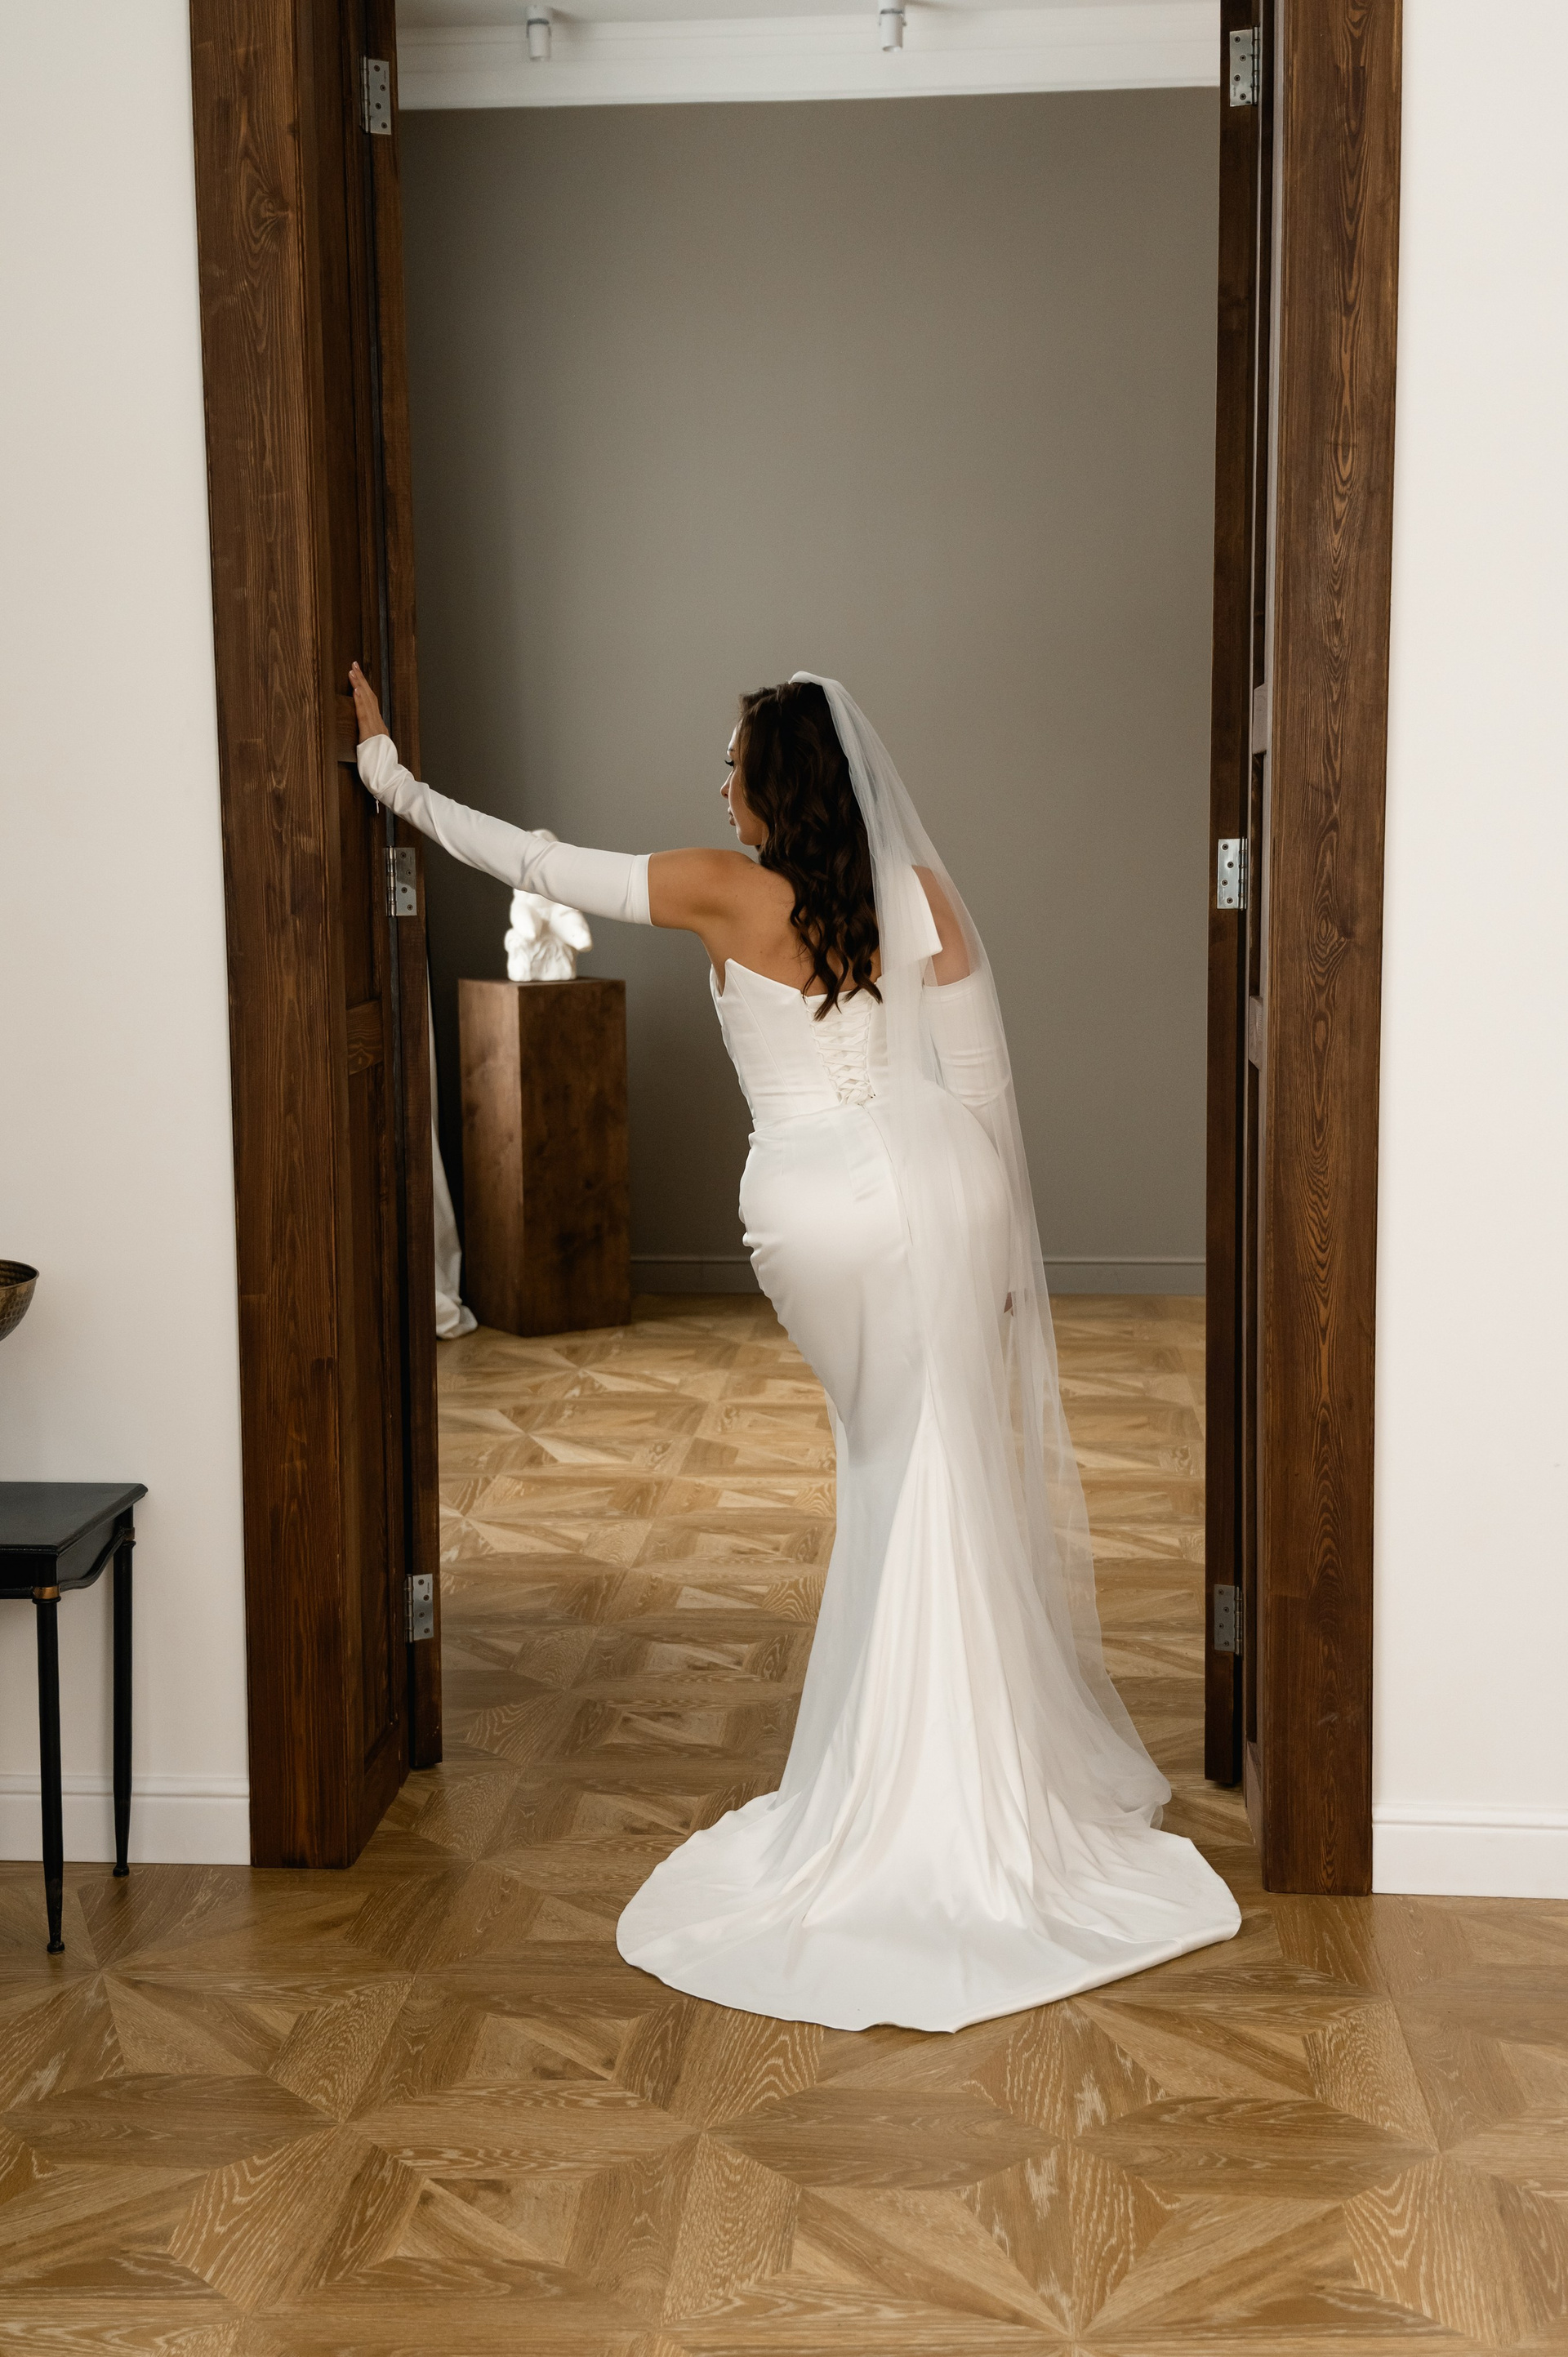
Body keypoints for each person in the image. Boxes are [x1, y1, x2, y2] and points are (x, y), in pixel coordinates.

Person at [350, 662, 1241, 2033]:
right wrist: (1000, 1266)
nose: (718, 785)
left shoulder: (723, 887)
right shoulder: (924, 896)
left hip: (824, 1204)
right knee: (938, 1458)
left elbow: (533, 859)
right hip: (948, 1188)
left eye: (733, 764)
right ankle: (972, 1768)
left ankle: (916, 1791)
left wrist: (389, 777)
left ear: (778, 783)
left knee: (894, 1464)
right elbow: (984, 1086)